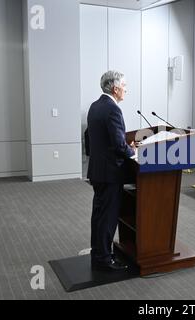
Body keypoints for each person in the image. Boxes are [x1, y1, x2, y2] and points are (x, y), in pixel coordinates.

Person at [87, 70, 136, 271]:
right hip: (110, 173)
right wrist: (132, 152)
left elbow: (98, 140)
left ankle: (97, 252)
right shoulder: (113, 109)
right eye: (124, 86)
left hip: (97, 171)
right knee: (108, 217)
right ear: (115, 89)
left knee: (98, 215)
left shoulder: (95, 106)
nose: (126, 89)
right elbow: (118, 143)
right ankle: (105, 260)